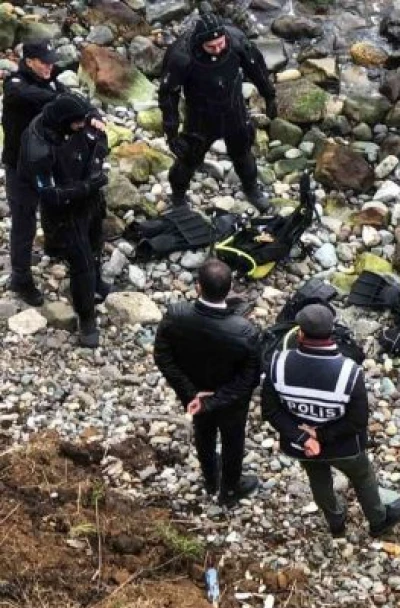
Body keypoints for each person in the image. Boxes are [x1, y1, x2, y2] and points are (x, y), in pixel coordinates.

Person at [261, 304, 400, 538]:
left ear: (299, 333)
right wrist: (321, 435)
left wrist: (304, 438)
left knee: (318, 479)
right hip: (343, 444)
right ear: (332, 332)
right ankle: (378, 520)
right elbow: (357, 421)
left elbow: (270, 410)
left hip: (301, 445)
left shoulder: (277, 363)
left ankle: (336, 521)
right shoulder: (349, 372)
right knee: (362, 476)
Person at [153, 259, 262, 505]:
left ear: (198, 287)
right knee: (233, 440)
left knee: (204, 433)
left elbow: (163, 356)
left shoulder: (175, 315)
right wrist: (215, 400)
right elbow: (250, 378)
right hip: (230, 400)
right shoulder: (245, 332)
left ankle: (211, 479)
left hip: (195, 393)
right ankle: (230, 489)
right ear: (229, 288)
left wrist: (192, 394)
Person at [158, 11, 276, 211]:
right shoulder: (181, 56)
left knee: (243, 153)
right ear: (199, 43)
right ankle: (178, 197)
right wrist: (171, 132)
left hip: (234, 110)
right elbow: (168, 94)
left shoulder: (236, 41)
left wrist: (269, 95)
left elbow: (256, 67)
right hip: (200, 116)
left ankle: (251, 189)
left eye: (220, 44)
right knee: (188, 158)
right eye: (211, 47)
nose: (218, 49)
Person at [17, 94, 109, 346]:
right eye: (79, 123)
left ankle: (98, 283)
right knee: (82, 264)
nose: (84, 125)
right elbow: (49, 194)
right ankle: (86, 318)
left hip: (89, 195)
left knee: (96, 243)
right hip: (65, 210)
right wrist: (87, 185)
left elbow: (92, 117)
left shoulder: (70, 114)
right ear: (65, 123)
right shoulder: (40, 149)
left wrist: (96, 121)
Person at [3, 41, 71, 306]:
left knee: (55, 206)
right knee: (24, 223)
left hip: (47, 162)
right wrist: (60, 100)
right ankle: (20, 277)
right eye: (43, 61)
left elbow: (72, 103)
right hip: (20, 168)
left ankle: (54, 246)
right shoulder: (15, 84)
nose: (49, 66)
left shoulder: (52, 79)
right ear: (29, 60)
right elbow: (27, 96)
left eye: (51, 61)